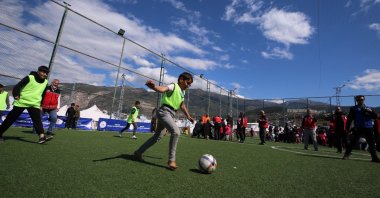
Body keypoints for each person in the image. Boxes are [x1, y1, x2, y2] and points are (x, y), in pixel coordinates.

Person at [133, 72, 194, 170]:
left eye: (190, 84)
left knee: (157, 137)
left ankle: (138, 153)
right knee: (176, 132)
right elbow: (163, 89)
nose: (189, 86)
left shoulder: (183, 92)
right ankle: (171, 160)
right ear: (181, 79)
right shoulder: (173, 86)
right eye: (188, 83)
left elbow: (182, 105)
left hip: (170, 114)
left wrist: (188, 116)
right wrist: (153, 87)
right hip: (164, 111)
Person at [0, 66, 52, 144]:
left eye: (46, 73)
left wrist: (41, 105)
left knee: (37, 120)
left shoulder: (45, 82)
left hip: (34, 104)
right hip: (22, 102)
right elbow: (18, 86)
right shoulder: (30, 77)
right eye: (43, 72)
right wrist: (16, 95)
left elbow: (43, 94)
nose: (44, 74)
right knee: (10, 119)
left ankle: (41, 136)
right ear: (38, 71)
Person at [343, 95, 379, 162]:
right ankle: (347, 154)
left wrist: (370, 112)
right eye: (358, 100)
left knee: (371, 143)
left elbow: (375, 116)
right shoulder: (353, 108)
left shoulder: (369, 108)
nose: (360, 101)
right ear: (356, 101)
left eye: (361, 99)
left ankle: (374, 157)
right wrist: (347, 128)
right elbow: (349, 119)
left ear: (364, 100)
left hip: (368, 127)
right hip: (358, 127)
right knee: (353, 142)